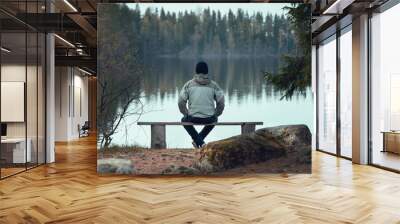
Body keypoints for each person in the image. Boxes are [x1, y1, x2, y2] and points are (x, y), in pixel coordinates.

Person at [178, 61, 225, 148]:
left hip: (193, 117)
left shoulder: (188, 84)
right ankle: (200, 141)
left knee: (184, 120)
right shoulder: (214, 85)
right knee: (215, 119)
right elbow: (221, 102)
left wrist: (186, 113)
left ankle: (199, 142)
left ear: (196, 71)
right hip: (209, 118)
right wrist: (215, 114)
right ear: (207, 72)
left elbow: (181, 101)